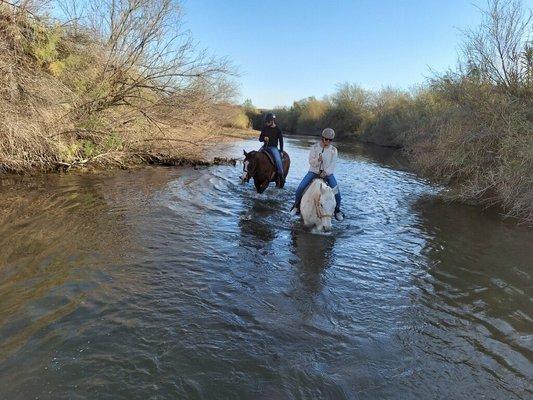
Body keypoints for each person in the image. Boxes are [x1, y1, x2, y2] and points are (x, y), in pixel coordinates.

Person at [290, 128, 343, 221]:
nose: (328, 141)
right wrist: (318, 160)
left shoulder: (334, 150)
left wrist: (325, 172)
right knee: (300, 187)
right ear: (322, 138)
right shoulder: (314, 147)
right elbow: (311, 162)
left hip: (327, 174)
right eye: (326, 139)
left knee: (337, 193)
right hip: (313, 172)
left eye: (330, 140)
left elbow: (332, 165)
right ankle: (296, 206)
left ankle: (337, 210)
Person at [259, 113, 285, 186]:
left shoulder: (278, 130)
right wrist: (263, 138)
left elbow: (281, 141)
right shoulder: (265, 128)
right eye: (266, 122)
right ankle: (248, 175)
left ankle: (281, 176)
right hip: (264, 147)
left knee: (278, 160)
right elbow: (260, 139)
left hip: (273, 148)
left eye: (268, 122)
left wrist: (282, 151)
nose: (266, 123)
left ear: (272, 121)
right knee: (255, 157)